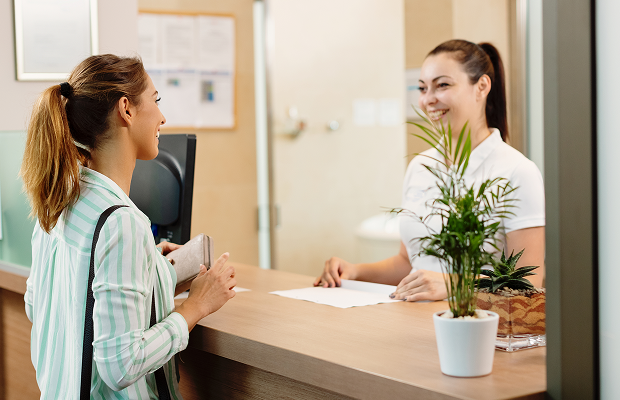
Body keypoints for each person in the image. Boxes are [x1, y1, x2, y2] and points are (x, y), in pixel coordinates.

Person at [21, 54, 237, 398]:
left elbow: (41, 304)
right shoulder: (121, 222)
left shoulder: (59, 198)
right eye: (156, 100)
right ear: (127, 109)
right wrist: (196, 306)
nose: (162, 117)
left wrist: (152, 269)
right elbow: (122, 364)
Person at [314, 40, 545, 301]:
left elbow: (527, 283)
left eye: (442, 85)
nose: (427, 100)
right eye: (422, 88)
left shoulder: (518, 172)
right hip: (411, 324)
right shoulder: (420, 166)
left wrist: (453, 284)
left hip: (480, 330)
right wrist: (354, 270)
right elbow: (408, 262)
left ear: (481, 87)